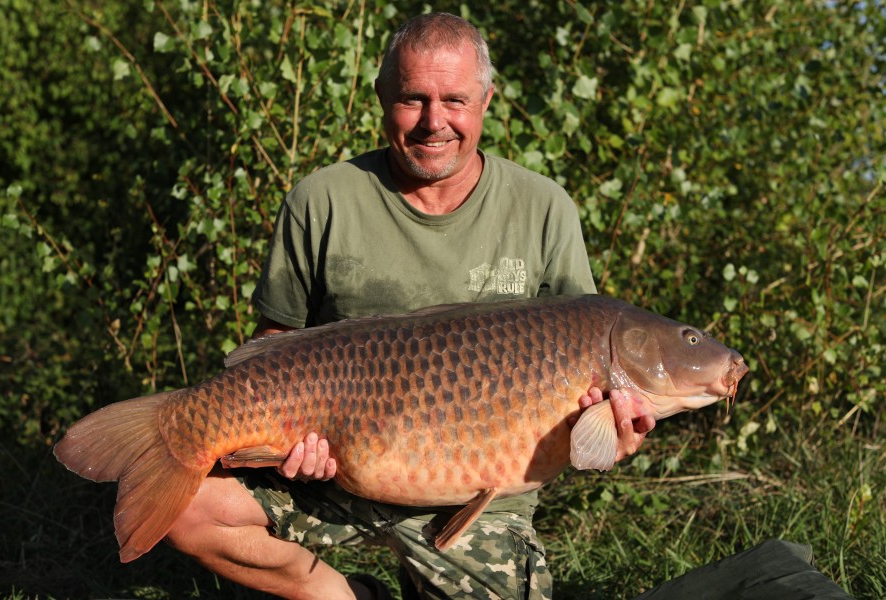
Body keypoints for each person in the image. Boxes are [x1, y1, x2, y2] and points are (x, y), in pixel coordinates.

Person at [165, 12, 655, 600]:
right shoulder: (321, 200)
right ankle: (337, 595)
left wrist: (614, 438)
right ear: (380, 97)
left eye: (455, 100)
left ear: (487, 100)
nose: (434, 122)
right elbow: (271, 352)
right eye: (412, 99)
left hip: (483, 493)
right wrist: (293, 443)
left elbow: (585, 393)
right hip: (339, 466)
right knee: (184, 508)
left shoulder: (544, 208)